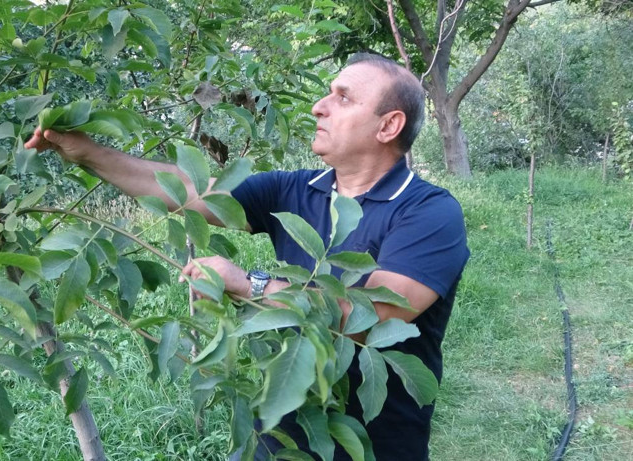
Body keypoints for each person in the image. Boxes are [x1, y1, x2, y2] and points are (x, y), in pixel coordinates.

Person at [25, 52, 469, 460]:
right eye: (327, 92)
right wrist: (85, 151)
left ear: (388, 126)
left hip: (377, 442)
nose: (319, 106)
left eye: (343, 97)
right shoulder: (293, 189)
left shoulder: (430, 213)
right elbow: (192, 194)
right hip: (279, 431)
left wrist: (249, 284)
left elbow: (373, 315)